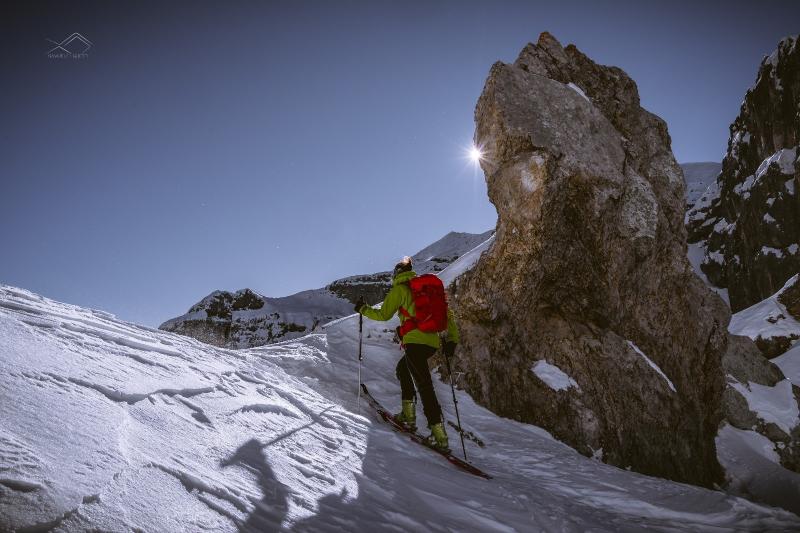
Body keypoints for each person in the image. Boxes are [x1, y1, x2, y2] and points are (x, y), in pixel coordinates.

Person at [355, 256, 460, 452]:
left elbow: (383, 314)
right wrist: (452, 340)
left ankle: (438, 435)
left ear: (396, 275)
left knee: (424, 385)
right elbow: (447, 314)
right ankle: (409, 415)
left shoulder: (400, 289)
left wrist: (363, 309)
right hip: (432, 343)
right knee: (403, 370)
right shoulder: (426, 290)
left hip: (414, 342)